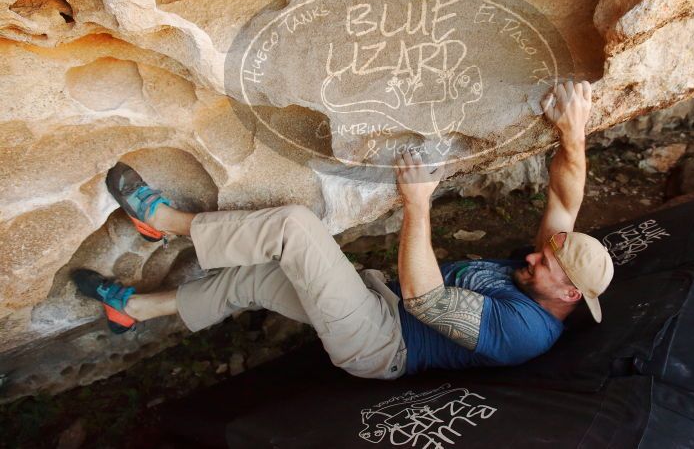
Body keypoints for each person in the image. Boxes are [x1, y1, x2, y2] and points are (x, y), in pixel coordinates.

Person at [73, 80, 613, 380]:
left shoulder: (526, 331)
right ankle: (133, 310)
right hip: (378, 304)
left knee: (294, 228)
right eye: (547, 252)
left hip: (382, 344)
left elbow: (426, 301)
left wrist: (416, 205)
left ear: (569, 294)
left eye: (548, 264)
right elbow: (565, 199)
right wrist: (574, 131)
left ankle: (162, 222)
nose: (535, 256)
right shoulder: (545, 274)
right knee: (256, 278)